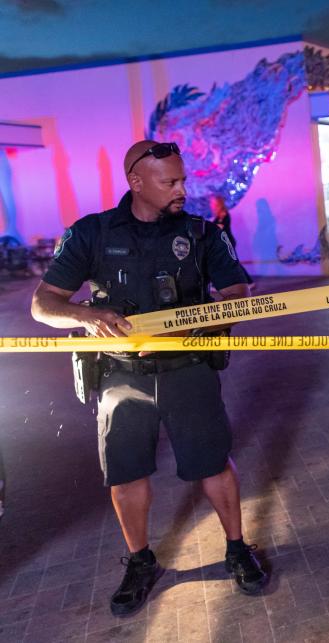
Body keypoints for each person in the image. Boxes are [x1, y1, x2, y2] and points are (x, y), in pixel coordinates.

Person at [31, 140, 268, 617]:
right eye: (171, 182)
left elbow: (238, 289)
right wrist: (86, 314)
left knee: (213, 464)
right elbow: (43, 304)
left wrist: (219, 313)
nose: (183, 189)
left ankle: (237, 548)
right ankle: (140, 562)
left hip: (189, 371)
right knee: (125, 477)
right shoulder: (90, 234)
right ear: (136, 183)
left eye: (182, 180)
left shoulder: (201, 233)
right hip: (122, 376)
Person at [209, 194, 255, 288]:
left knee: (234, 263)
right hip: (223, 243)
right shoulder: (218, 216)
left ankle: (249, 282)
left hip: (228, 243)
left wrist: (208, 227)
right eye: (211, 203)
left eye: (213, 203)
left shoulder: (224, 214)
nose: (211, 205)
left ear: (219, 203)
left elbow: (220, 227)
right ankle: (217, 284)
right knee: (219, 263)